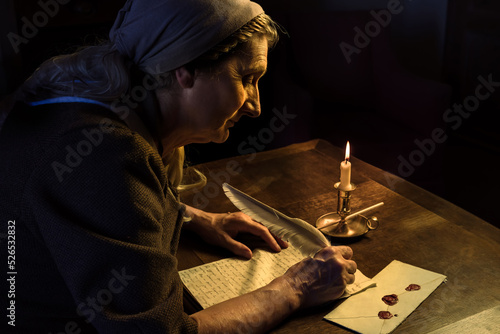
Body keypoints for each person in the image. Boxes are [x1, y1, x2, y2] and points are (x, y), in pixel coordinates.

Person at [0, 0, 357, 332]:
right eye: (247, 78)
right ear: (186, 69)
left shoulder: (98, 107)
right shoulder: (107, 153)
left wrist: (193, 217)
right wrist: (296, 286)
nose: (256, 106)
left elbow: (92, 208)